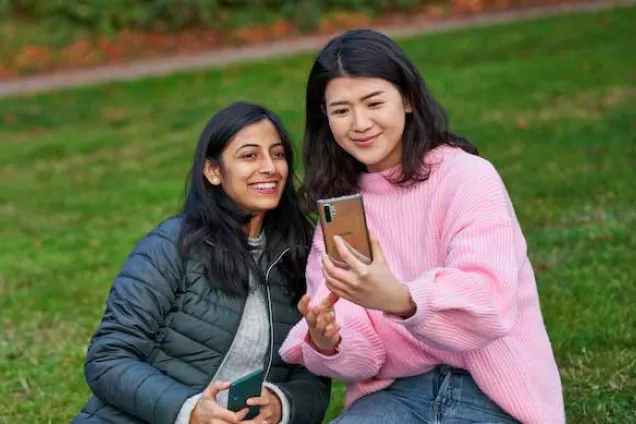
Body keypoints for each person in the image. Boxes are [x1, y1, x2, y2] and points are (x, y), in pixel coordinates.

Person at [279, 29, 565, 424]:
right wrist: (329, 340)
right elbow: (363, 353)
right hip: (394, 395)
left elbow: (489, 303)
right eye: (341, 110)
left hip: (493, 392)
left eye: (374, 102)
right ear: (325, 118)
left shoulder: (466, 177)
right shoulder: (342, 210)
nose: (359, 123)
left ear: (408, 99)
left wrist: (401, 298)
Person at [73, 101, 331, 424]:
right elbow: (108, 358)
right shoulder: (171, 246)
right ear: (212, 171)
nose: (270, 167)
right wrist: (189, 410)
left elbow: (314, 377)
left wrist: (282, 405)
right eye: (249, 155)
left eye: (277, 154)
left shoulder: (298, 256)